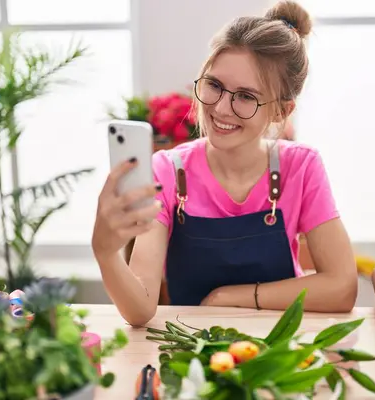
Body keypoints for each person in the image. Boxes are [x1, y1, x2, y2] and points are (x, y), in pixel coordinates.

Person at [91, 0, 357, 326]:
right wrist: (105, 253)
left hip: (279, 351)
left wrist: (234, 296)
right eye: (214, 85)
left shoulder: (301, 167)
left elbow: (342, 287)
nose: (221, 109)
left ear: (281, 111)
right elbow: (141, 308)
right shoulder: (168, 171)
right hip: (190, 351)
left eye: (246, 96)